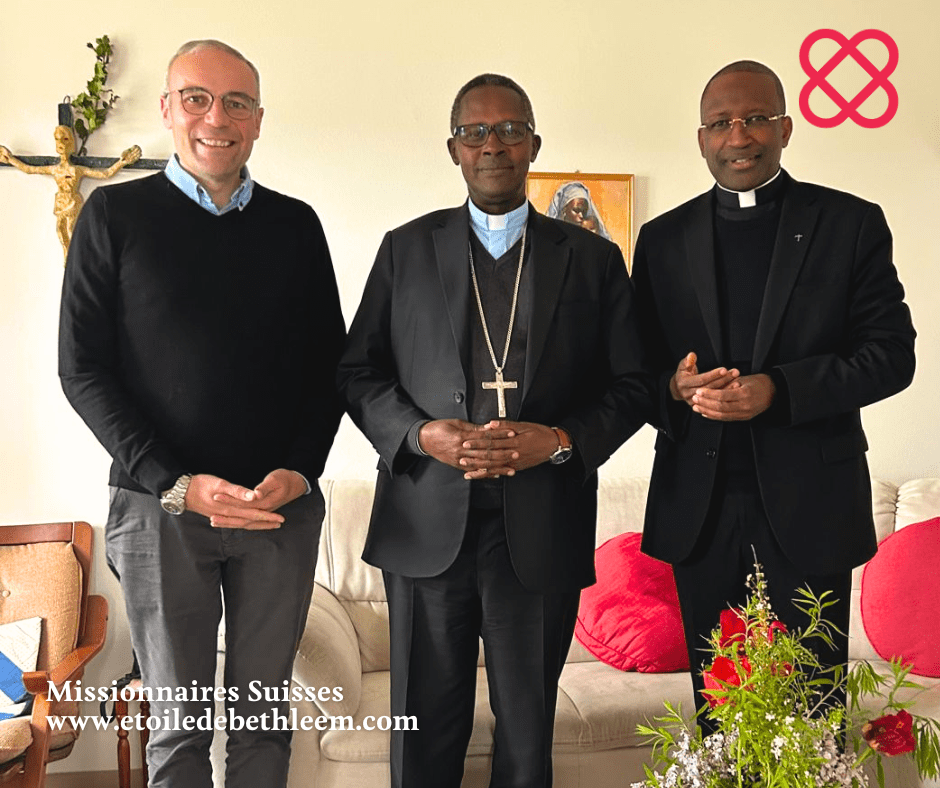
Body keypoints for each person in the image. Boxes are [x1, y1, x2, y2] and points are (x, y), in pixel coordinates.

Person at [338, 74, 649, 788]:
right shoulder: (405, 250)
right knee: (424, 722)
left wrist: (562, 439)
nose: (492, 145)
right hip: (427, 527)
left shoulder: (592, 260)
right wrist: (420, 437)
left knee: (526, 725)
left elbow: (633, 385)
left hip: (538, 526)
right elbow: (357, 373)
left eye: (510, 130)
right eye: (474, 132)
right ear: (453, 148)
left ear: (535, 144)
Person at [58, 39, 345, 788]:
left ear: (257, 121)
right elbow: (81, 369)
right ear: (166, 110)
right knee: (177, 730)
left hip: (273, 513)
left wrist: (300, 470)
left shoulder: (297, 226)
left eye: (236, 103)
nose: (215, 118)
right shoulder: (113, 215)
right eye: (196, 99)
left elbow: (332, 370)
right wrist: (176, 481)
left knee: (261, 721)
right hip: (159, 512)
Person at [630, 60, 916, 724]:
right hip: (699, 509)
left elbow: (891, 357)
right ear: (700, 139)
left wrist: (779, 390)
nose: (740, 136)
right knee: (721, 714)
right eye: (721, 123)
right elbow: (632, 376)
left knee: (812, 712)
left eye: (756, 118)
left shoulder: (849, 225)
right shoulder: (662, 240)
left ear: (785, 127)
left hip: (811, 502)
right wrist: (672, 386)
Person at [0, 125, 140, 261]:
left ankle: (76, 258)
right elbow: (29, 169)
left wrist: (122, 162)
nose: (60, 143)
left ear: (71, 142)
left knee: (71, 229)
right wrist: (10, 159)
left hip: (72, 202)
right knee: (60, 231)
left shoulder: (77, 170)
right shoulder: (54, 169)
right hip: (60, 202)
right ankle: (68, 259)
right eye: (57, 139)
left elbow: (105, 174)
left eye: (65, 139)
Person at [545, 180, 612, 240]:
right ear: (564, 210)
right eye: (576, 210)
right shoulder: (552, 236)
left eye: (584, 211)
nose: (581, 216)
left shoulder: (588, 234)